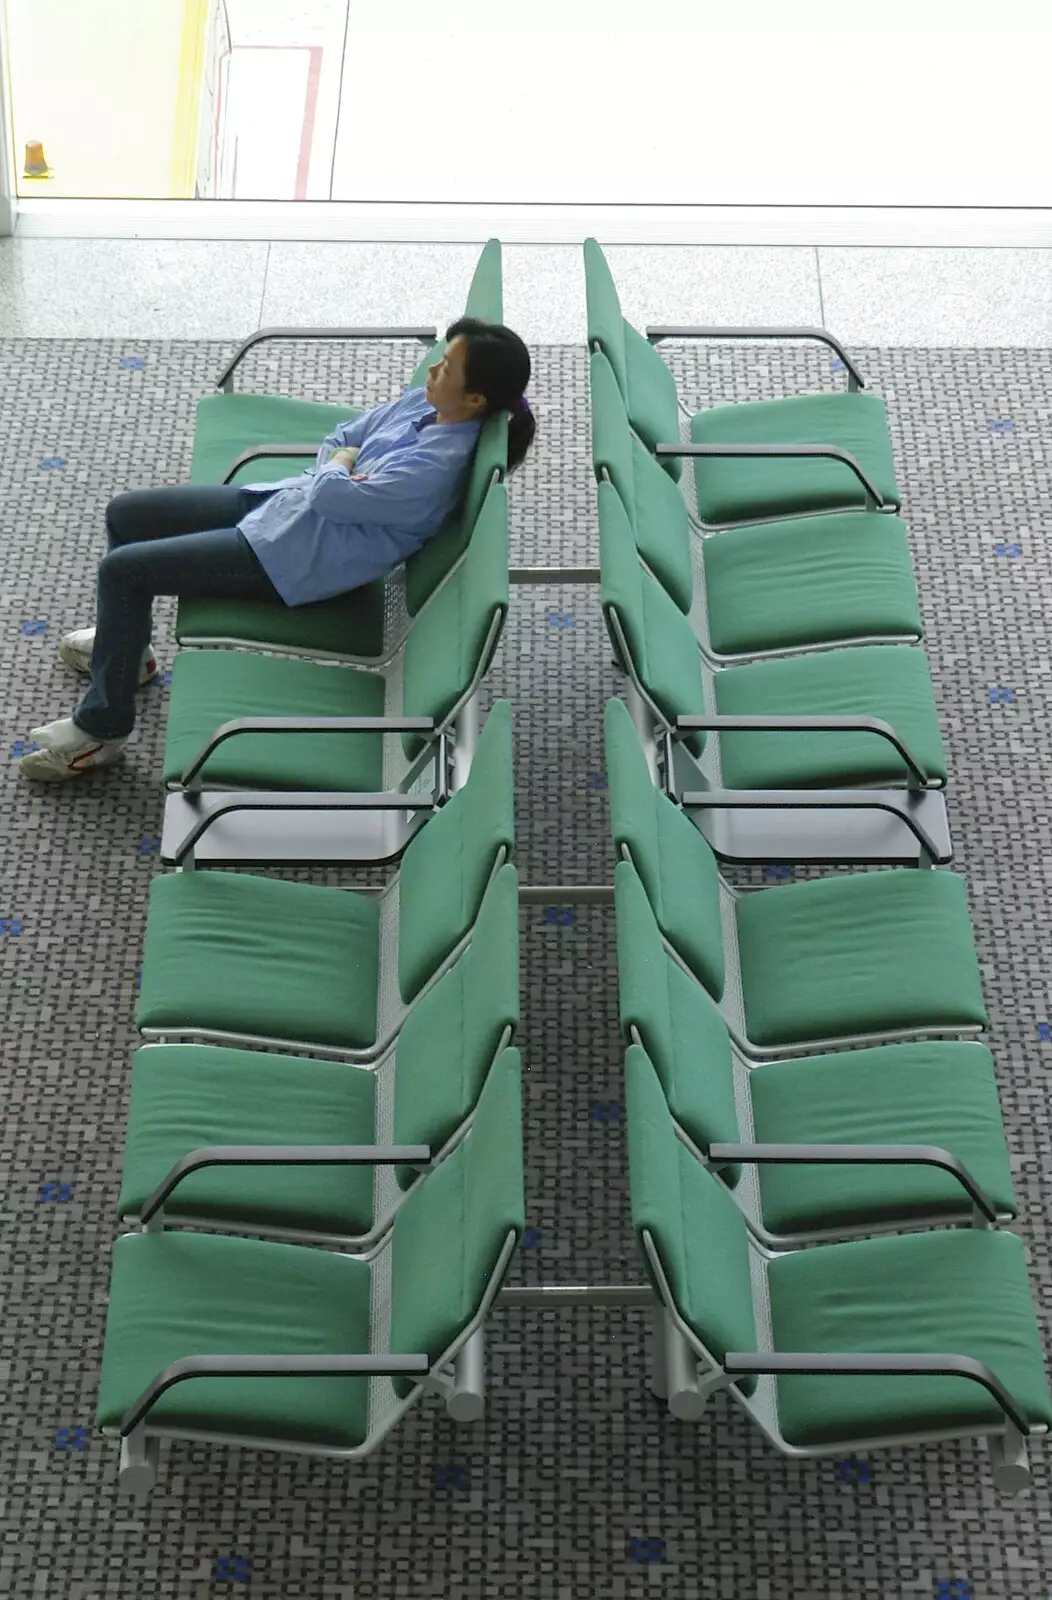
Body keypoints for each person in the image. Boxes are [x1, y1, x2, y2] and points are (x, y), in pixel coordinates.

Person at [18, 317, 535, 783]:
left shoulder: (435, 468)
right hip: (284, 504)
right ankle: (132, 658)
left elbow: (334, 487)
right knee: (126, 513)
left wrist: (339, 469)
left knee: (123, 573)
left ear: (476, 400)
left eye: (446, 368)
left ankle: (101, 732)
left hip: (291, 560)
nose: (433, 371)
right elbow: (343, 436)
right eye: (440, 359)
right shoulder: (427, 403)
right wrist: (342, 467)